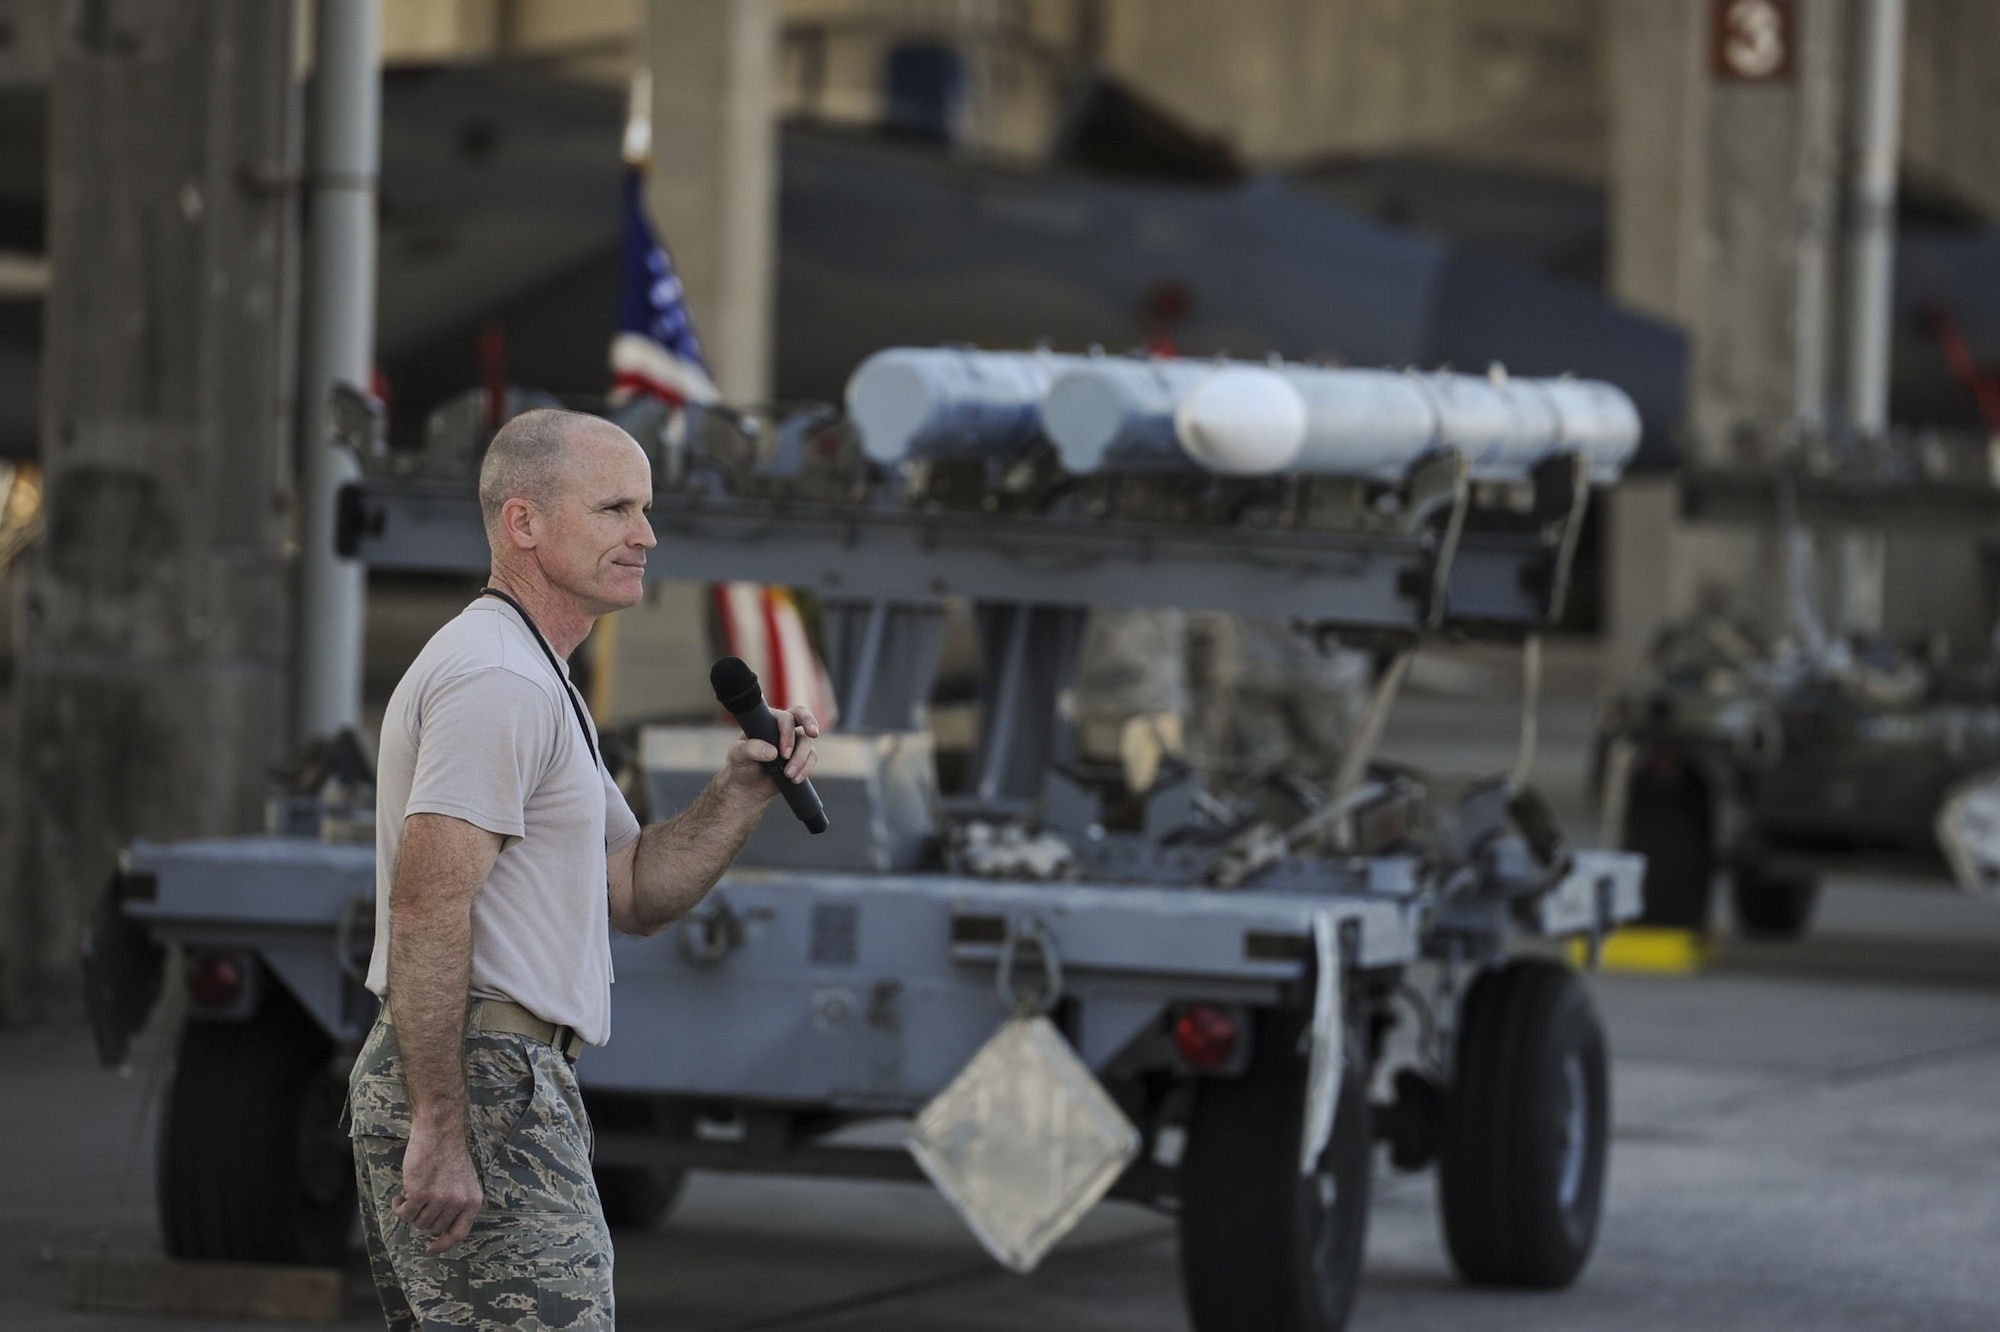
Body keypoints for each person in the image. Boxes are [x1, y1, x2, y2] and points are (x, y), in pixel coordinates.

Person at [346, 408, 820, 1330]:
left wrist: (738, 796)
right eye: (614, 509)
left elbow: (632, 891)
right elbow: (428, 906)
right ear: (524, 523)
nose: (645, 534)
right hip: (482, 1082)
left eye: (644, 509)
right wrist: (444, 1127)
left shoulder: (536, 675)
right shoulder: (500, 682)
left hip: (502, 1078)